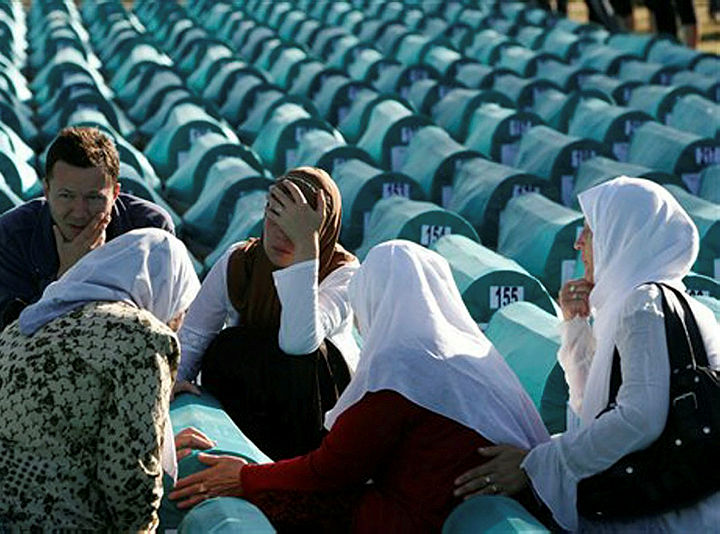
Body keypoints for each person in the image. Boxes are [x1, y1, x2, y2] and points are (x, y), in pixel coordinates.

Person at [168, 240, 550, 532]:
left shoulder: (401, 366)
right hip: (459, 508)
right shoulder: (470, 354)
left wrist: (244, 477)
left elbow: (331, 470)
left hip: (415, 517)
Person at [453, 177, 720, 531]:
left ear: (623, 235)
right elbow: (591, 408)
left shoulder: (642, 305)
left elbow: (639, 418)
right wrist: (576, 325)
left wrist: (537, 464)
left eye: (591, 231)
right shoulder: (676, 304)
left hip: (664, 514)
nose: (579, 243)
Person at [0, 229, 200, 531]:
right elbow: (127, 474)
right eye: (181, 308)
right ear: (167, 289)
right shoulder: (144, 337)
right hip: (18, 497)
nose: (178, 320)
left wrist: (158, 445)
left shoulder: (40, 315)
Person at [173, 166, 359, 460]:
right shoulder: (240, 262)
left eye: (295, 229)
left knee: (308, 354)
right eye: (275, 219)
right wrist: (173, 381)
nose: (281, 236)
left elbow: (299, 343)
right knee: (230, 345)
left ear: (321, 231)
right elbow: (194, 337)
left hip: (314, 413)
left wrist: (306, 255)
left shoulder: (342, 272)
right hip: (254, 403)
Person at [0, 126, 175, 334]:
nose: (79, 212)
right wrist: (66, 279)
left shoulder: (150, 229)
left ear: (115, 193)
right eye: (66, 196)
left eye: (93, 198)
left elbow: (168, 324)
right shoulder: (13, 233)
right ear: (47, 191)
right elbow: (9, 332)